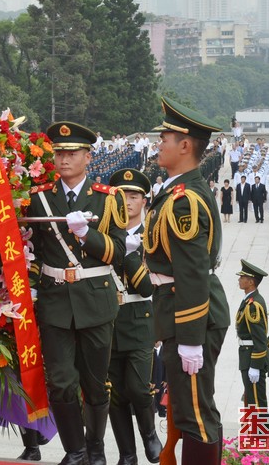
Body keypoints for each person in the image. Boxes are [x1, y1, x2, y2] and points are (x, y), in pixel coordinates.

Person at [27, 122, 127, 465]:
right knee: (60, 382)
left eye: (72, 153)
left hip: (95, 300)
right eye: (59, 153)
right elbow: (36, 252)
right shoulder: (40, 198)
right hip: (55, 301)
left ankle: (95, 446)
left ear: (88, 156)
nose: (64, 159)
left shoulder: (107, 197)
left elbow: (117, 252)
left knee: (96, 383)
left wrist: (88, 235)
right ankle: (75, 450)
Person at [143, 97, 229, 463]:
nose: (158, 143)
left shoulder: (185, 200)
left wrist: (191, 340)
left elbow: (192, 272)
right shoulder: (176, 190)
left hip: (190, 316)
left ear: (185, 145)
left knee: (195, 412)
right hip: (181, 313)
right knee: (189, 406)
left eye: (165, 137)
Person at [107, 168, 162, 465]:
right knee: (114, 394)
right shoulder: (102, 234)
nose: (127, 201)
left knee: (139, 388)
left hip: (141, 318)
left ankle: (150, 434)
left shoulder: (153, 236)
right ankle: (127, 455)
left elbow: (150, 284)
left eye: (133, 196)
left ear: (144, 201)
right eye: (121, 195)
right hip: (108, 319)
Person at [235, 261, 268, 409]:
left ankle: (261, 432)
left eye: (242, 277)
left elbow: (260, 338)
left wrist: (255, 365)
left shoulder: (253, 305)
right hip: (246, 355)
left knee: (257, 402)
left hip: (252, 357)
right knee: (251, 399)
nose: (239, 279)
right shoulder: (248, 301)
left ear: (251, 281)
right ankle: (256, 430)